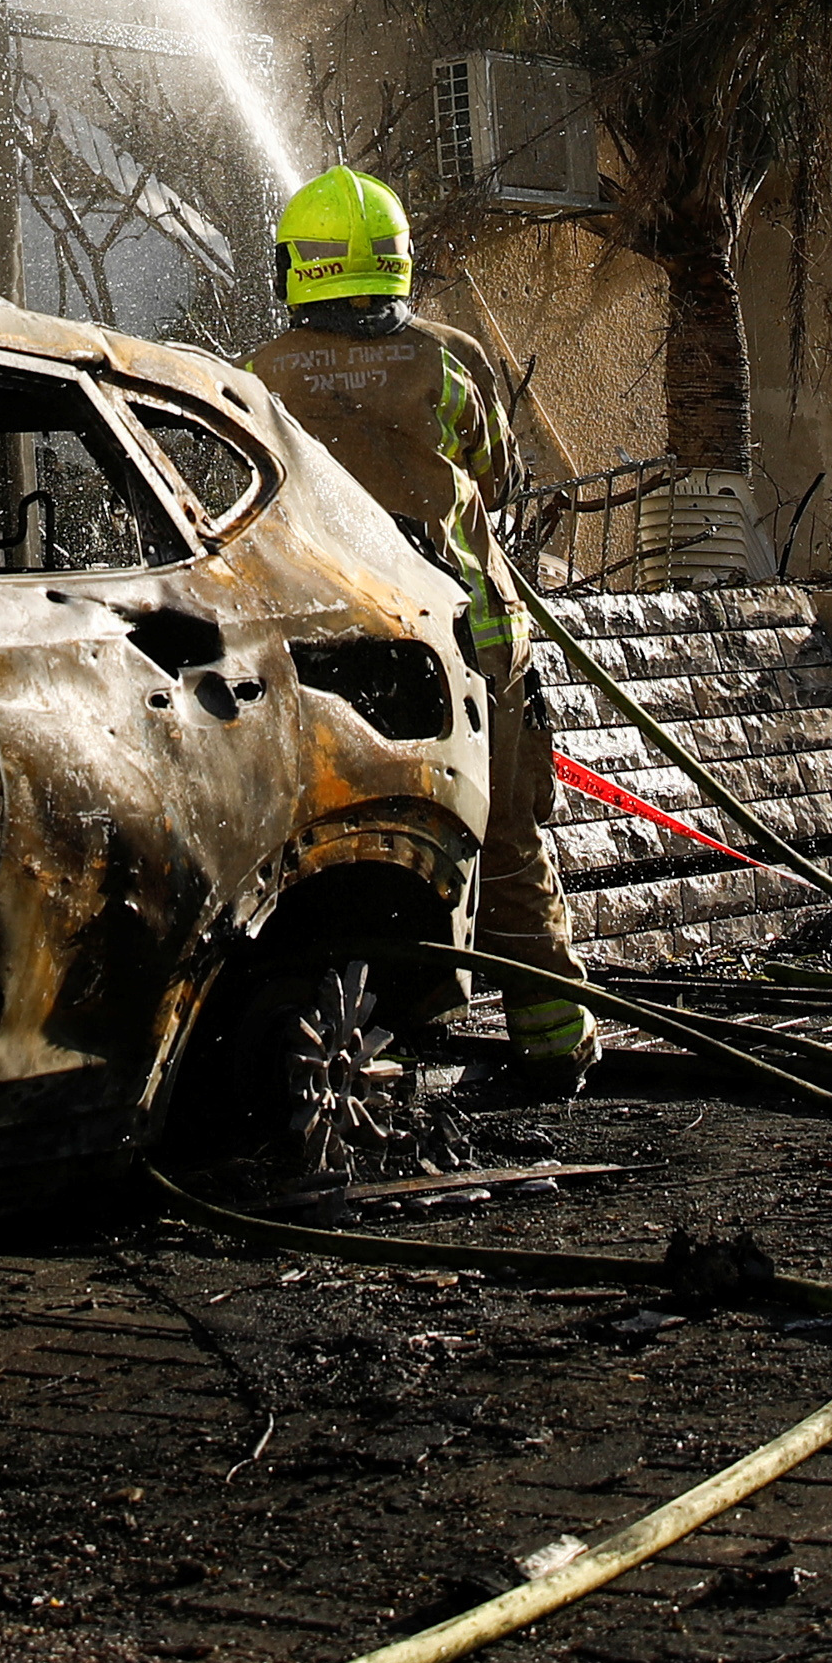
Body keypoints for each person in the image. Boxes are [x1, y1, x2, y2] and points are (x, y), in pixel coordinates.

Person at [242, 164, 593, 1082]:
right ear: (397, 262)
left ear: (297, 266)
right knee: (508, 843)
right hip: (476, 645)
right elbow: (502, 475)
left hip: (335, 661)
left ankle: (357, 1034)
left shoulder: (260, 375)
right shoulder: (447, 357)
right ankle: (555, 1041)